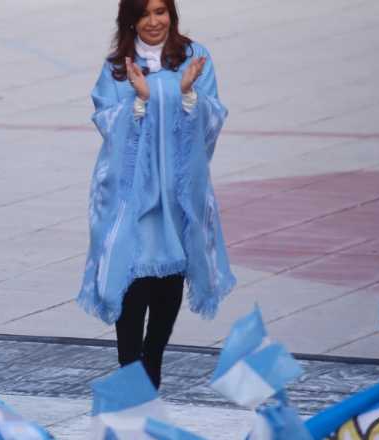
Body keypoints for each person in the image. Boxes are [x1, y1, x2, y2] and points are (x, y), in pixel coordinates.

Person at [77, 0, 236, 388]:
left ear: (172, 15)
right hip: (132, 194)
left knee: (168, 281)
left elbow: (212, 119)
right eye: (144, 14)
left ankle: (153, 361)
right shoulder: (118, 67)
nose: (153, 22)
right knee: (132, 280)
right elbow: (108, 123)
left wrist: (187, 95)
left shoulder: (195, 57)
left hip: (177, 193)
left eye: (160, 12)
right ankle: (130, 368)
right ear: (130, 21)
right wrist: (141, 100)